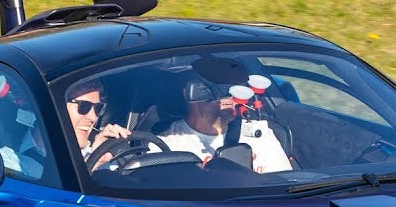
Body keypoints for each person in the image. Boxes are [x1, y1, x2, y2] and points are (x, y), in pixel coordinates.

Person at [159, 57, 292, 173]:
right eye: (222, 88)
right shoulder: (165, 147)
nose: (233, 96)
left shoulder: (258, 134)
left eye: (237, 87)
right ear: (192, 92)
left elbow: (286, 184)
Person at [64, 78, 131, 160]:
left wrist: (98, 156)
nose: (93, 117)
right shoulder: (44, 157)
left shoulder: (93, 151)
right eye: (84, 106)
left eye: (98, 108)